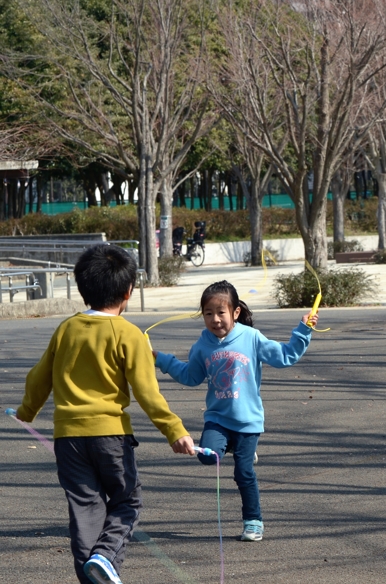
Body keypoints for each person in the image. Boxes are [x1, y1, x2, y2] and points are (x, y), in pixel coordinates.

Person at [14, 244, 195, 584]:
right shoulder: (129, 334)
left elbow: (40, 375)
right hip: (110, 436)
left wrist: (27, 410)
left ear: (82, 289)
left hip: (68, 439)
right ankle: (105, 555)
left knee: (85, 509)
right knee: (127, 501)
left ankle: (92, 575)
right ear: (128, 291)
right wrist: (174, 430)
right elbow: (146, 391)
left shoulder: (67, 329)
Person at [153, 281, 317, 543]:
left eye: (221, 313)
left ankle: (253, 521)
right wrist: (161, 359)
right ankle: (230, 446)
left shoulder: (251, 338)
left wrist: (303, 329)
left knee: (243, 473)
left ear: (236, 312)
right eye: (208, 313)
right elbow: (190, 376)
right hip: (217, 419)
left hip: (248, 420)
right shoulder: (202, 346)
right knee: (208, 457)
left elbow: (285, 356)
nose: (215, 319)